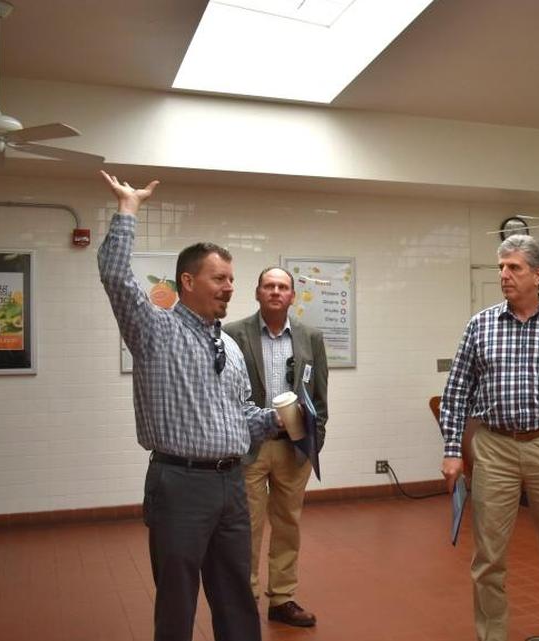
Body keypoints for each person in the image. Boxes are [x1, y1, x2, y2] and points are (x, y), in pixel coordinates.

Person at [97, 171, 285, 641]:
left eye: (232, 280)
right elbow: (116, 277)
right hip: (178, 483)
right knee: (178, 599)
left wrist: (276, 420)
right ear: (187, 281)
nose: (229, 287)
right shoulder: (154, 330)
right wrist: (128, 209)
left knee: (236, 595)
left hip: (231, 484)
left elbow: (239, 413)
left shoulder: (232, 346)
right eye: (218, 278)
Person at [439, 234, 539, 641]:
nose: (504, 275)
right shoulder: (481, 325)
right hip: (494, 447)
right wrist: (453, 451)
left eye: (514, 268)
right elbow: (456, 393)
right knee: (488, 557)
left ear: (538, 275)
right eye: (501, 267)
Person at [223, 267, 329, 627]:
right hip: (251, 445)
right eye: (269, 286)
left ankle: (282, 598)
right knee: (247, 526)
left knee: (287, 524)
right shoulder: (233, 333)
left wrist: (317, 440)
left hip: (293, 447)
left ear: (292, 296)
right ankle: (246, 598)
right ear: (257, 293)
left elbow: (320, 395)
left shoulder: (309, 337)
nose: (275, 291)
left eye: (283, 287)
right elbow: (225, 394)